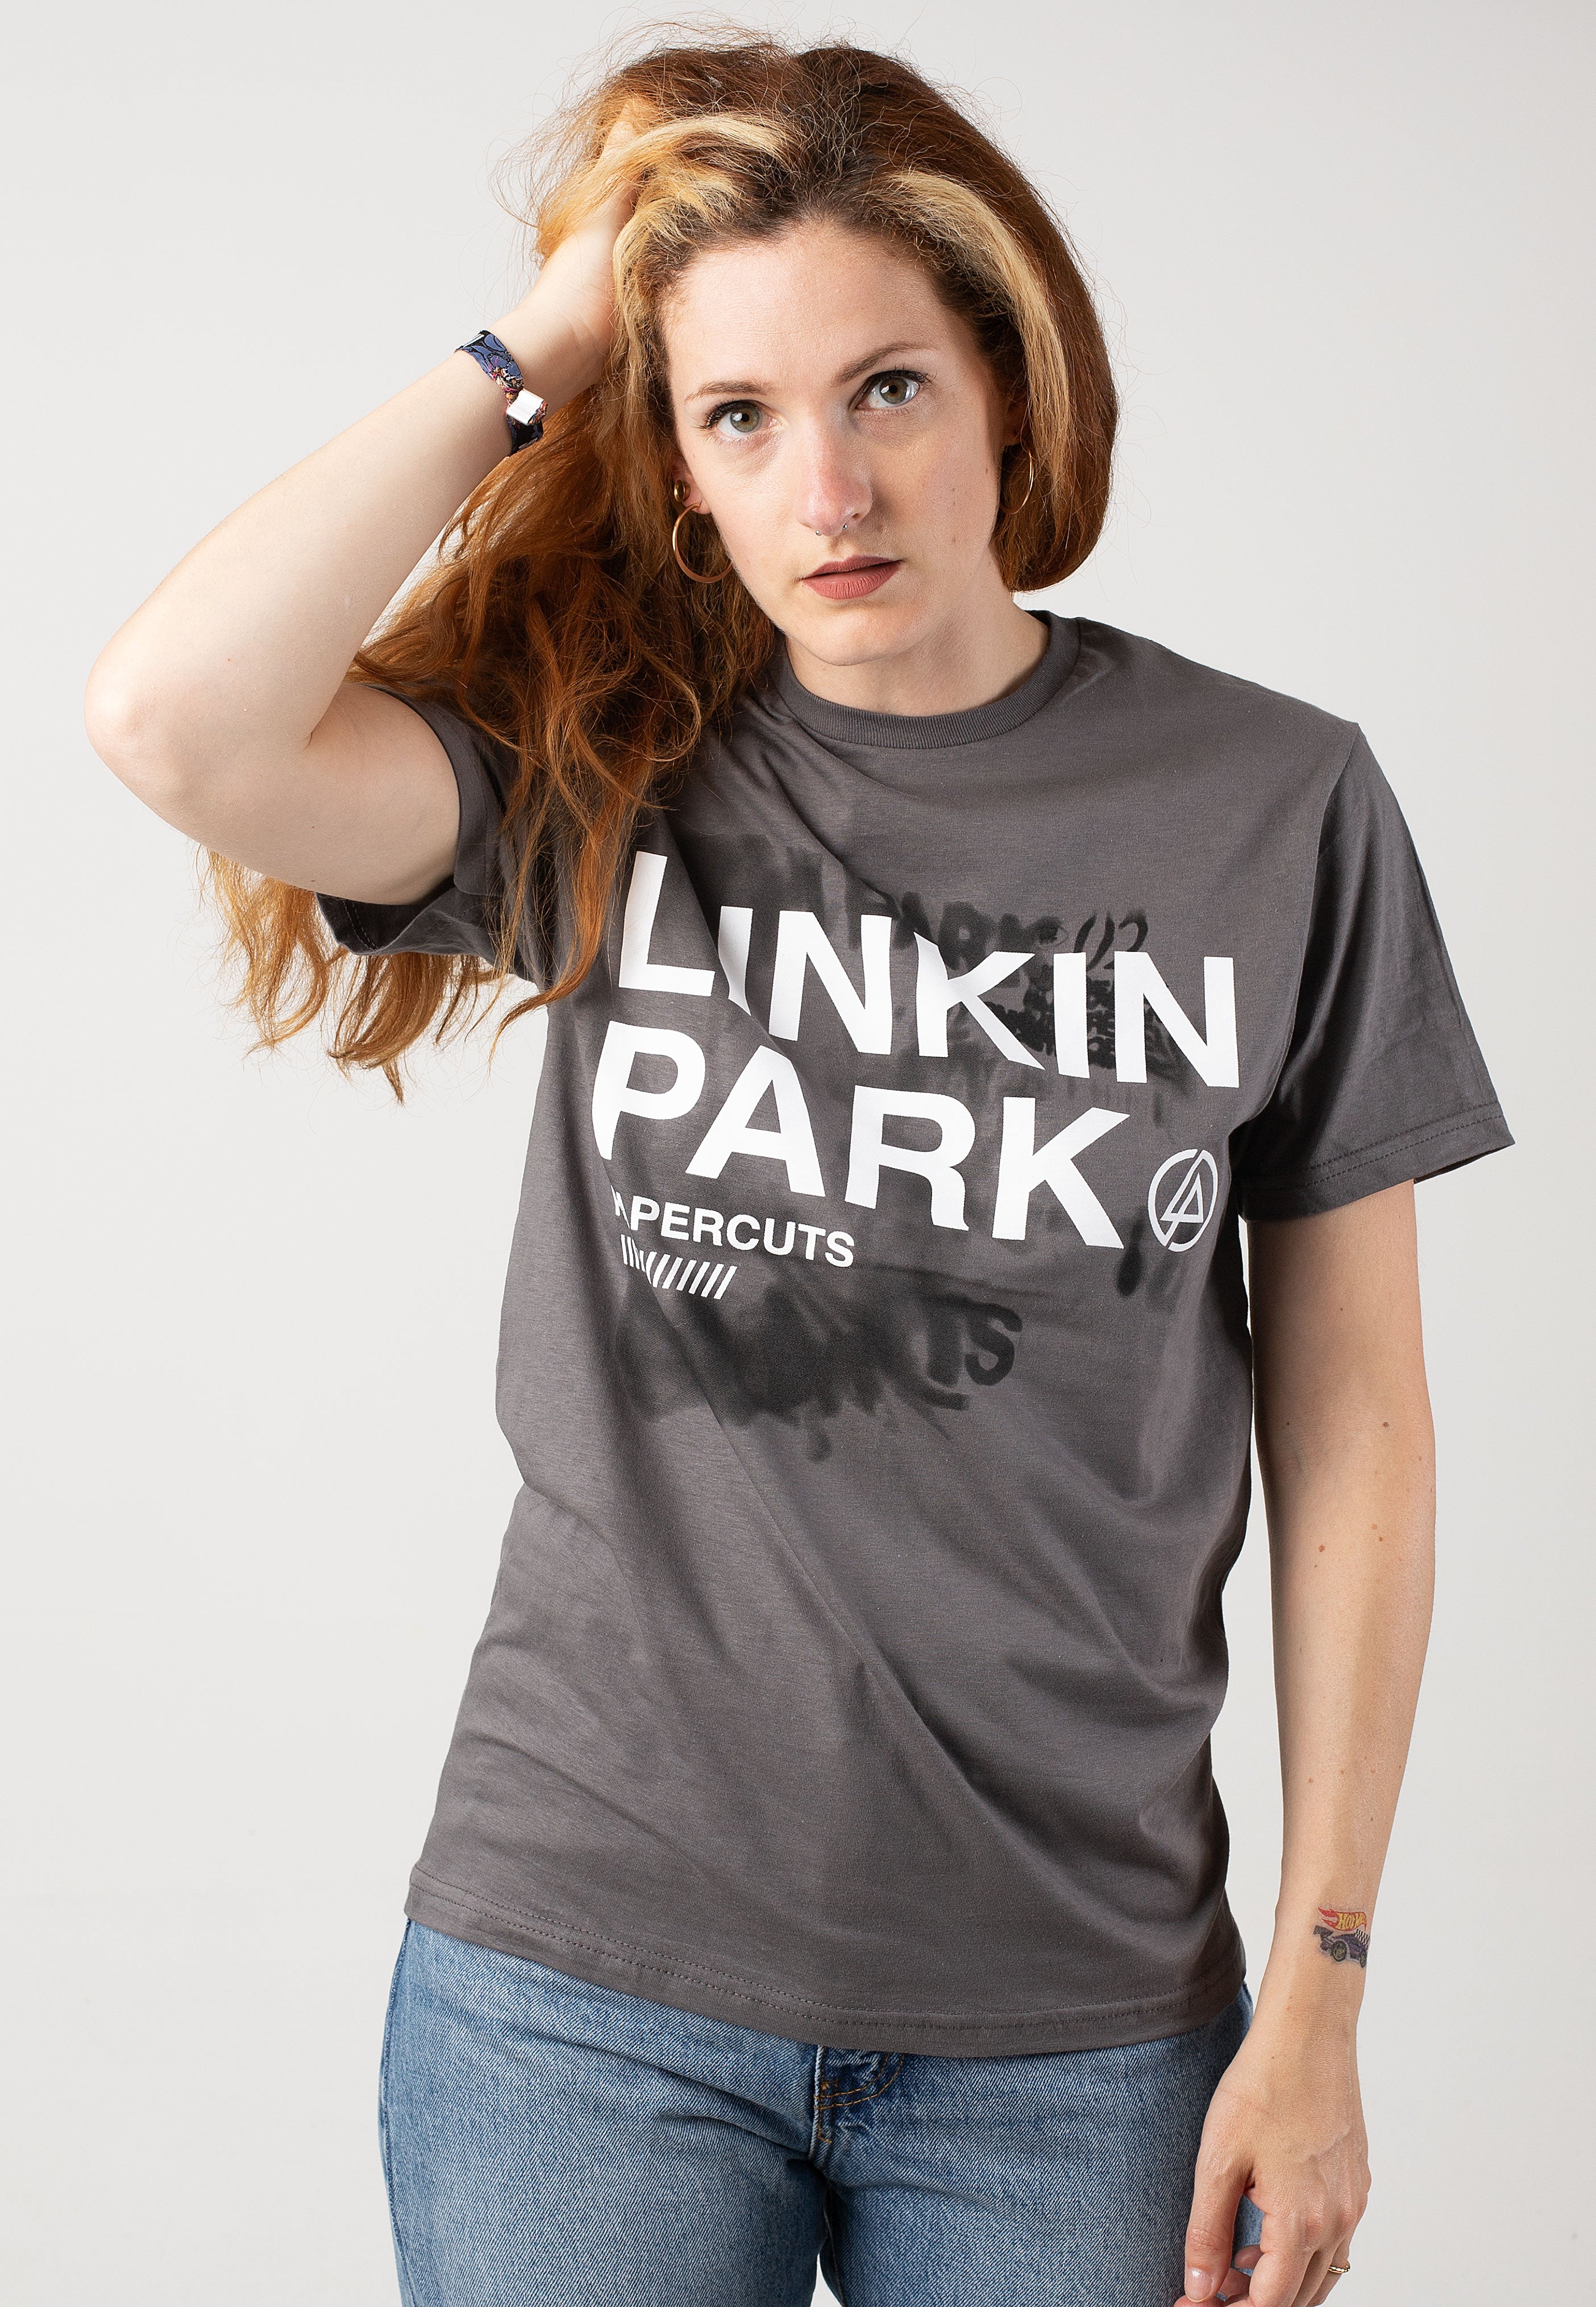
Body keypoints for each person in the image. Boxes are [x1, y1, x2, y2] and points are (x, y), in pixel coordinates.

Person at [83, 31, 1512, 2307]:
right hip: (583, 1985)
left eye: (888, 391)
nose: (828, 485)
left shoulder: (1275, 806)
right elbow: (174, 716)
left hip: (1080, 2027)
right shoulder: (608, 770)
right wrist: (546, 335)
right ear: (675, 464)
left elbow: (1358, 1431)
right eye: (739, 414)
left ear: (1009, 394)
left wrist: (1325, 1984)